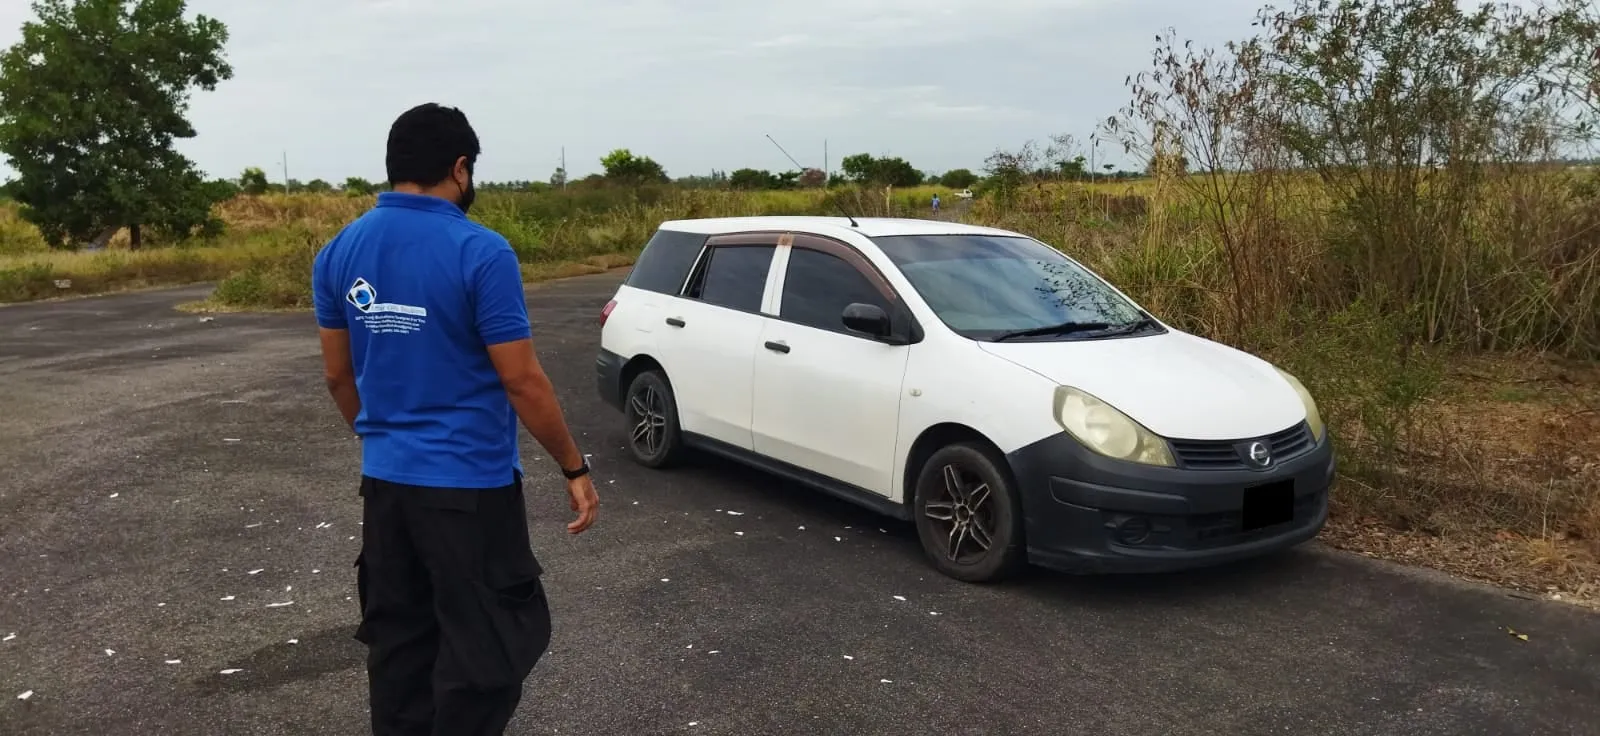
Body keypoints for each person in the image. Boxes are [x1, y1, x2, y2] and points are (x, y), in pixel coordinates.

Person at [311, 102, 599, 736]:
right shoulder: (481, 251)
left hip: (386, 489)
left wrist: (379, 437)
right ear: (460, 168)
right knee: (489, 649)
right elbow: (522, 379)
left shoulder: (338, 252)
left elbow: (338, 375)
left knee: (401, 649)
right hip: (470, 488)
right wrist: (573, 466)